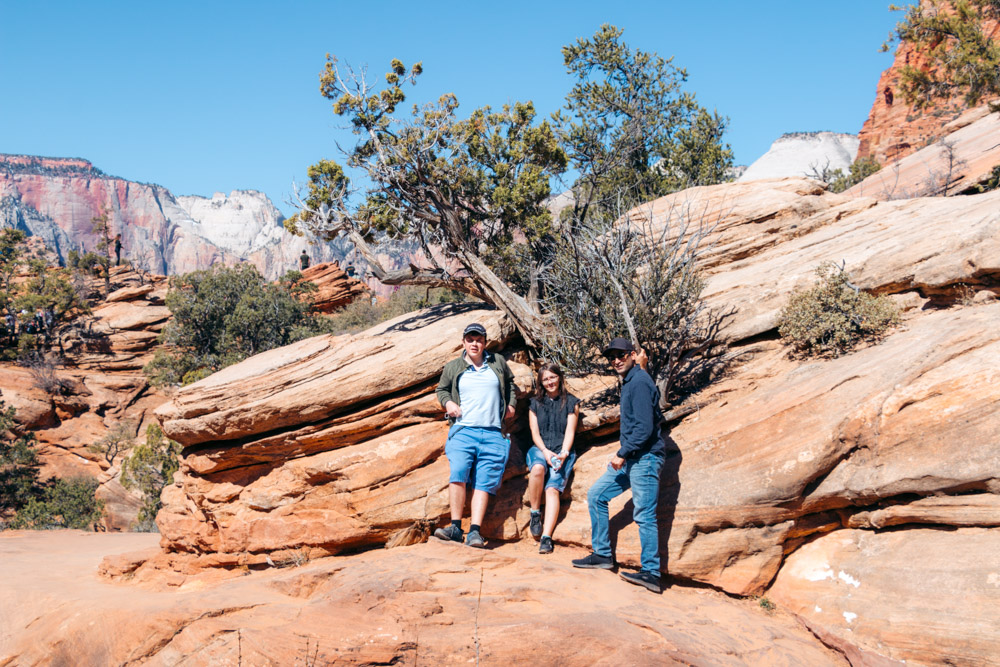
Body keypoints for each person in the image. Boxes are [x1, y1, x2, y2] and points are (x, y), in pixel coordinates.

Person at [572, 337, 665, 593]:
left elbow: (645, 428)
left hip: (644, 458)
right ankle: (602, 555)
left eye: (621, 355)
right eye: (611, 357)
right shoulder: (634, 380)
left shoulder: (639, 383)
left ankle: (651, 572)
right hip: (633, 458)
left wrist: (622, 452)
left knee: (644, 514)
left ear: (632, 354)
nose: (616, 360)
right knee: (597, 495)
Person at [433, 322, 517, 548]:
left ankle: (475, 532)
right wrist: (449, 402)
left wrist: (511, 404)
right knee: (458, 475)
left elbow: (510, 384)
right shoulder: (453, 367)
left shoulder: (497, 362)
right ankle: (455, 528)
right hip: (463, 431)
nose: (474, 344)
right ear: (463, 342)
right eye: (470, 340)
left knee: (484, 482)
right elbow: (441, 389)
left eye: (479, 340)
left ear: (484, 342)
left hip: (492, 432)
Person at [525, 363, 580, 554]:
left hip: (562, 451)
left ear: (559, 377)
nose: (550, 382)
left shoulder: (572, 402)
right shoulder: (535, 403)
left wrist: (564, 453)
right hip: (541, 448)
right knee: (538, 469)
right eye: (545, 379)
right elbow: (534, 432)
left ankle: (546, 537)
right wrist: (546, 452)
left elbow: (570, 431)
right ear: (541, 382)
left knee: (552, 489)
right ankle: (534, 513)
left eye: (552, 377)